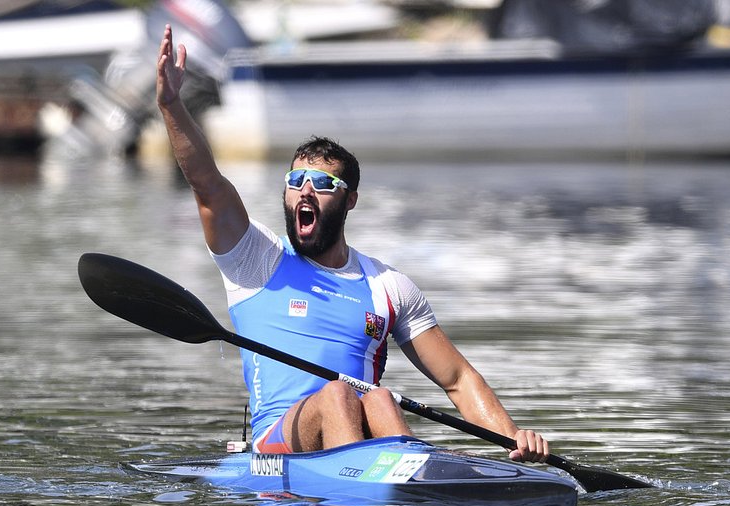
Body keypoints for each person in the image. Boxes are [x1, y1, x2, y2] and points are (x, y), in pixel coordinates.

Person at [155, 24, 549, 462]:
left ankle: (406, 489)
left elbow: (457, 378)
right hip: (279, 444)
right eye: (296, 180)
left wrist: (515, 442)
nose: (305, 190)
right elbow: (207, 184)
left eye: (322, 182)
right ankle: (378, 490)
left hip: (361, 428)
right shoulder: (256, 260)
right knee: (339, 394)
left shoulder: (389, 287)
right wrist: (172, 105)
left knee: (379, 399)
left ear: (350, 200)